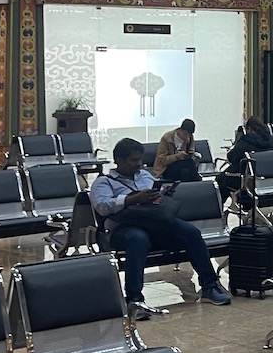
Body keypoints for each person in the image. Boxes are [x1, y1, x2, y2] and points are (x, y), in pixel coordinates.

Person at [91, 137, 232, 319]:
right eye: (134, 160)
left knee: (190, 232)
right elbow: (102, 206)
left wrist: (162, 195)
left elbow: (156, 197)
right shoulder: (103, 182)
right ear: (119, 161)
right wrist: (132, 199)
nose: (139, 164)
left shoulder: (144, 176)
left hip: (155, 223)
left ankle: (209, 286)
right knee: (138, 239)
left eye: (140, 159)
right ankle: (134, 299)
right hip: (124, 229)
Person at [219, 116, 273, 202]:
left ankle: (219, 211)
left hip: (248, 181)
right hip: (270, 181)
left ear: (249, 129)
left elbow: (232, 157)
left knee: (221, 181)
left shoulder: (246, 141)